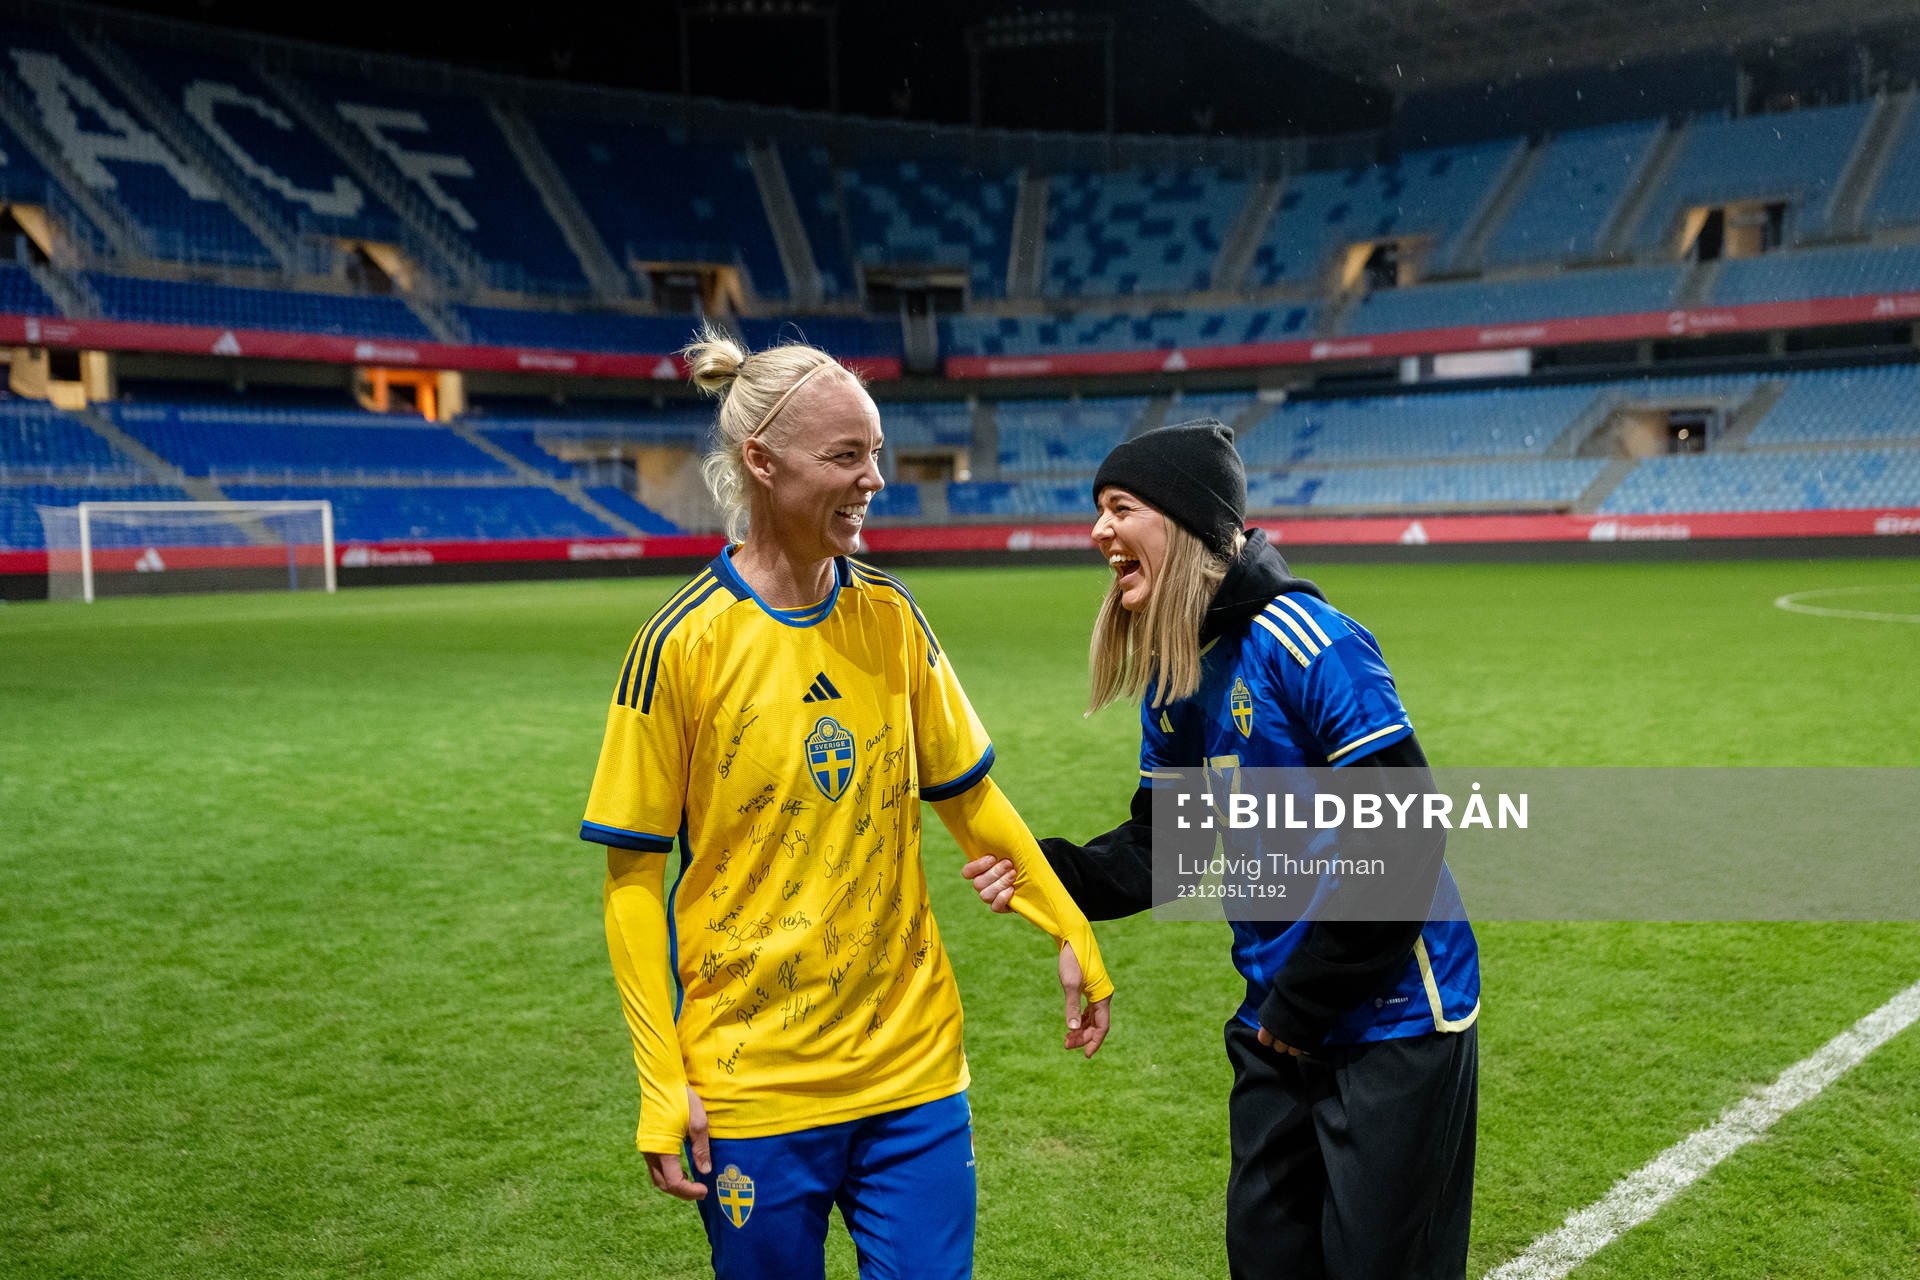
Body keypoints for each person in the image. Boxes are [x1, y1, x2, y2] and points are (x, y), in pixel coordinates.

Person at [581, 327, 1113, 1280]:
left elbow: (972, 798)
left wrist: (1071, 927)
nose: (874, 479)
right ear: (761, 462)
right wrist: (663, 1079)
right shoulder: (680, 646)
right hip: (755, 1081)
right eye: (845, 456)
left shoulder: (892, 617)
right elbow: (630, 883)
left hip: (912, 1068)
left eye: (876, 453)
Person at [962, 419, 1478, 1280]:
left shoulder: (1309, 642)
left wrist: (1295, 1017)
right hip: (1281, 1021)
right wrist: (1050, 871)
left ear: (1188, 520)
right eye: (1097, 510)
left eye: (1120, 507)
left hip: (1393, 1022)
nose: (1098, 532)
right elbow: (1167, 847)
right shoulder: (1177, 675)